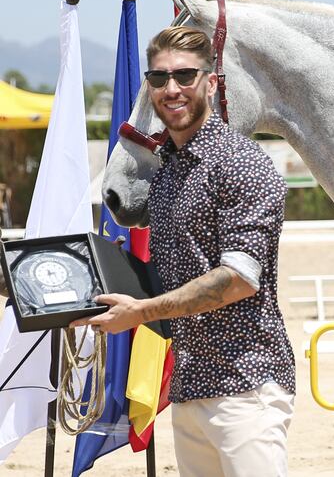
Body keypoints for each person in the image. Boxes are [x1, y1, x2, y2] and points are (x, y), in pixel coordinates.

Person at [71, 26, 296, 477]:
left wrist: (141, 312)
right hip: (190, 387)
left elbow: (237, 278)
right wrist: (83, 292)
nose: (171, 89)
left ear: (210, 83)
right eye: (158, 79)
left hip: (245, 387)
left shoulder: (242, 163)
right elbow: (173, 275)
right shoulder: (168, 174)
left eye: (184, 76)